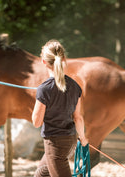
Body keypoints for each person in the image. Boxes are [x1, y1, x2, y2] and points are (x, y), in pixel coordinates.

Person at [32, 39, 89, 177]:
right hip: (70, 141)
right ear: (64, 58)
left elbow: (36, 122)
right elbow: (78, 117)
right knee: (40, 175)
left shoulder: (44, 89)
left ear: (44, 62)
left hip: (55, 145)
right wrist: (83, 138)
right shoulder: (75, 86)